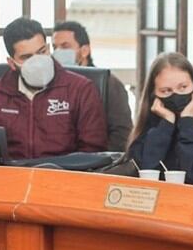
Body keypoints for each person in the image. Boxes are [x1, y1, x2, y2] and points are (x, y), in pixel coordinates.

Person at [0, 17, 107, 160]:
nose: (37, 61)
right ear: (12, 63)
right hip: (11, 178)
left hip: (63, 177)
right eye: (26, 57)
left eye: (41, 52)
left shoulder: (80, 90)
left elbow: (93, 152)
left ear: (49, 49)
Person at [128, 52, 193, 185]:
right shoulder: (155, 113)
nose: (176, 95)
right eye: (166, 91)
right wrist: (166, 125)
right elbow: (143, 172)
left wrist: (187, 121)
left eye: (183, 87)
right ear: (153, 93)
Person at [51, 20, 133, 152]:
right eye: (54, 47)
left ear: (84, 50)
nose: (57, 52)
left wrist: (100, 162)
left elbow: (121, 132)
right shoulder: (51, 84)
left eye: (65, 47)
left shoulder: (108, 83)